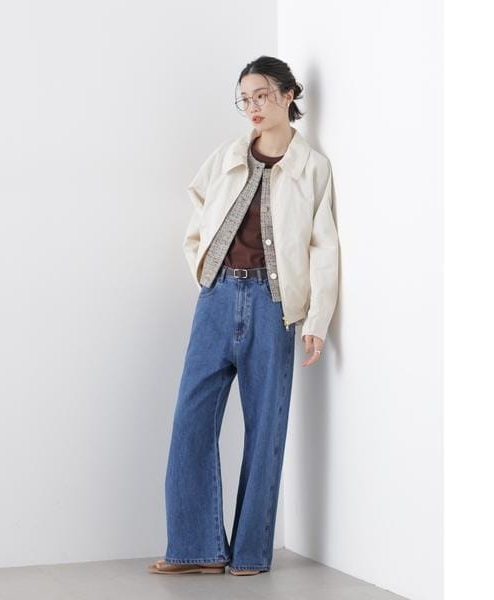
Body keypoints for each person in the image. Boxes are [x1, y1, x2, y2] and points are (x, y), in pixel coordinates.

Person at [148, 55, 340, 576]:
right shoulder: (228, 156)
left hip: (273, 307)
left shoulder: (312, 168)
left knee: (265, 429)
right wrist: (202, 268)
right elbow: (199, 212)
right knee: (191, 420)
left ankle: (251, 554)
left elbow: (324, 248)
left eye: (262, 95)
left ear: (288, 95)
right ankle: (197, 549)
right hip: (215, 299)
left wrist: (317, 321)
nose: (253, 106)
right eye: (245, 98)